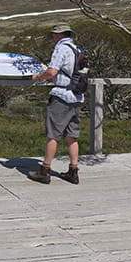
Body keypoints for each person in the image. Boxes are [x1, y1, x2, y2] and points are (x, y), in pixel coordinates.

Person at [28, 23, 84, 185]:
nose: (52, 37)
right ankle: (73, 172)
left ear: (60, 35)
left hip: (61, 96)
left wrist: (38, 77)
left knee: (53, 134)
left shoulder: (61, 49)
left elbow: (52, 72)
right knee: (72, 136)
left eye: (53, 34)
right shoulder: (77, 49)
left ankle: (44, 171)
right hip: (76, 96)